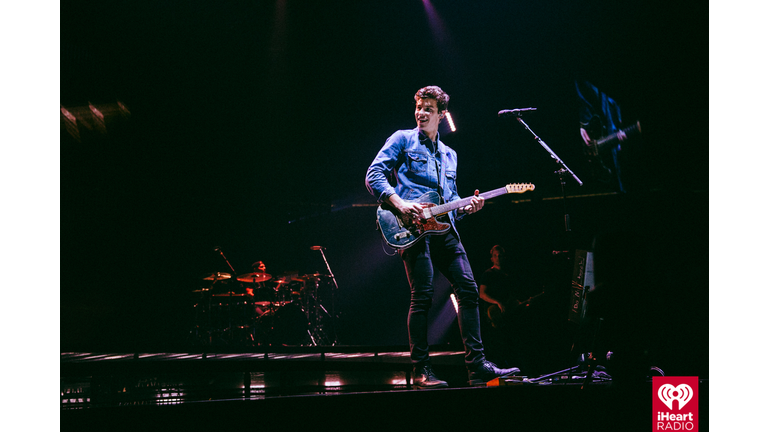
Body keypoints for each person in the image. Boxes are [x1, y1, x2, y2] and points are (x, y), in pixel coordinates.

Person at [365, 85, 520, 388]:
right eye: (419, 107)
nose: (421, 113)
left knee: (469, 289)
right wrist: (399, 202)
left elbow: (450, 201)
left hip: (445, 229)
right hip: (411, 226)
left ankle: (477, 365)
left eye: (428, 109)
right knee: (422, 296)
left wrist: (468, 207)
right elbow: (374, 175)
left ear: (442, 114)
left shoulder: (451, 155)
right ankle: (422, 370)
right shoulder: (402, 139)